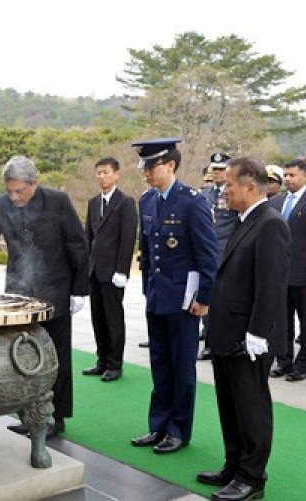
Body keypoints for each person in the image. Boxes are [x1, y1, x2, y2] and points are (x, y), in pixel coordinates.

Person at [0, 156, 88, 438]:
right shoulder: (0, 204)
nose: (14, 197)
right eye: (9, 191)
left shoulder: (58, 201)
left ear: (34, 184)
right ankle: (29, 414)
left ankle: (56, 416)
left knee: (55, 356)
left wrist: (80, 289)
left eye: (20, 191)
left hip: (55, 289)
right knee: (24, 354)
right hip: (19, 290)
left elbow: (78, 245)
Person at [197, 157, 291, 501]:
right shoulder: (244, 219)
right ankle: (233, 465)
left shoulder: (270, 224)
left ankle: (252, 478)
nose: (224, 191)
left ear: (250, 187)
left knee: (251, 408)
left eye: (230, 186)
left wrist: (258, 333)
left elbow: (271, 285)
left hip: (249, 337)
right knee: (230, 404)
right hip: (227, 332)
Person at [130, 138, 218, 454]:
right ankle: (158, 426)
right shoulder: (147, 201)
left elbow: (208, 256)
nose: (146, 173)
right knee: (160, 363)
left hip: (185, 300)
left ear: (170, 165)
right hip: (157, 297)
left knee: (182, 366)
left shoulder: (192, 201)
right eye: (144, 166)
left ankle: (179, 430)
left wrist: (204, 299)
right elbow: (147, 250)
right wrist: (147, 291)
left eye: (151, 166)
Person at [268, 159, 306, 381]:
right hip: (279, 275)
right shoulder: (275, 202)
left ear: (304, 176)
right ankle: (283, 361)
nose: (287, 179)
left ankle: (303, 365)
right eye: (285, 175)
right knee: (281, 321)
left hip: (305, 275)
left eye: (292, 175)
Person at [82, 157, 138, 382]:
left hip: (113, 272)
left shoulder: (125, 202)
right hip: (95, 270)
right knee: (97, 318)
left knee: (113, 319)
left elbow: (128, 238)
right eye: (98, 173)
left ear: (116, 174)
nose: (101, 177)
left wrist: (122, 270)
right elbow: (88, 238)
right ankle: (101, 360)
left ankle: (115, 364)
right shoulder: (93, 203)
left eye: (105, 172)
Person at [198, 152, 238, 362]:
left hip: (226, 251)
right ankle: (209, 339)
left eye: (221, 169)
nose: (217, 173)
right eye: (214, 169)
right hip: (206, 252)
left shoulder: (234, 192)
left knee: (224, 300)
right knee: (206, 295)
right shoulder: (204, 193)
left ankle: (222, 341)